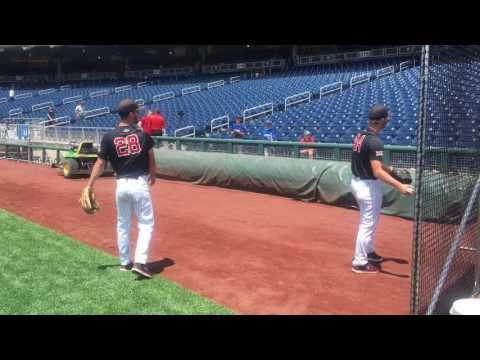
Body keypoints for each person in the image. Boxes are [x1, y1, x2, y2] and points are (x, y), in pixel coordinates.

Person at [82, 98, 157, 279]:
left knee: (123, 224)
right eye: (136, 112)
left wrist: (89, 185)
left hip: (121, 185)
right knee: (146, 224)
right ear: (131, 114)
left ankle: (125, 262)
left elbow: (100, 163)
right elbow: (151, 158)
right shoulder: (143, 135)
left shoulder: (109, 137)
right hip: (139, 183)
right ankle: (140, 262)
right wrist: (153, 176)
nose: (138, 114)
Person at [350, 105, 414, 274]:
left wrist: (390, 170)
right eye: (386, 118)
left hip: (357, 182)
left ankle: (369, 252)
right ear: (380, 121)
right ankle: (359, 262)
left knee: (369, 221)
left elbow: (372, 164)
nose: (388, 121)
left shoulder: (360, 135)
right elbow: (376, 171)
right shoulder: (375, 141)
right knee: (367, 224)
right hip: (367, 186)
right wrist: (400, 186)